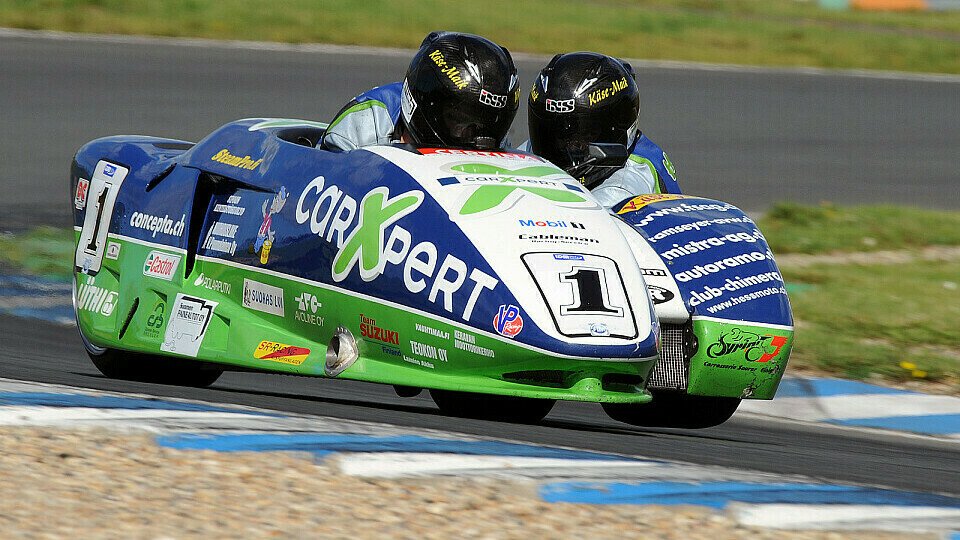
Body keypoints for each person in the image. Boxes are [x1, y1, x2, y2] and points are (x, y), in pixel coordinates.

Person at [525, 52, 681, 208]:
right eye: (556, 133)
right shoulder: (540, 148)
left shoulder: (621, 190)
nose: (564, 146)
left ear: (614, 130)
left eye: (583, 135)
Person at [322, 31, 520, 152]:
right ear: (426, 103)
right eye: (457, 119)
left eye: (486, 125)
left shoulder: (494, 140)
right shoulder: (366, 124)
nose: (475, 138)